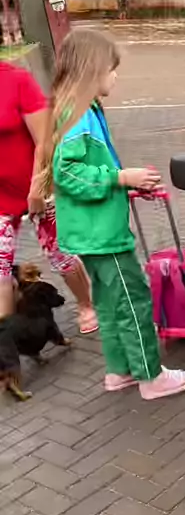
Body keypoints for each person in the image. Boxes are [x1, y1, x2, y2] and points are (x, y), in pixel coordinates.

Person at [46, 28, 185, 401]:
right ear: (92, 70)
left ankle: (120, 371)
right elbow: (67, 173)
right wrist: (120, 178)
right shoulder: (79, 115)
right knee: (134, 300)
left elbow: (81, 172)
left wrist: (124, 186)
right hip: (102, 234)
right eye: (111, 69)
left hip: (90, 232)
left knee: (109, 303)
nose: (115, 76)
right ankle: (151, 377)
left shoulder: (80, 110)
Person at [0, 58, 97, 330]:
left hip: (37, 185)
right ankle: (6, 338)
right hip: (2, 196)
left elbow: (44, 141)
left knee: (59, 254)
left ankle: (86, 304)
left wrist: (37, 187)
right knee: (0, 267)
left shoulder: (17, 81)